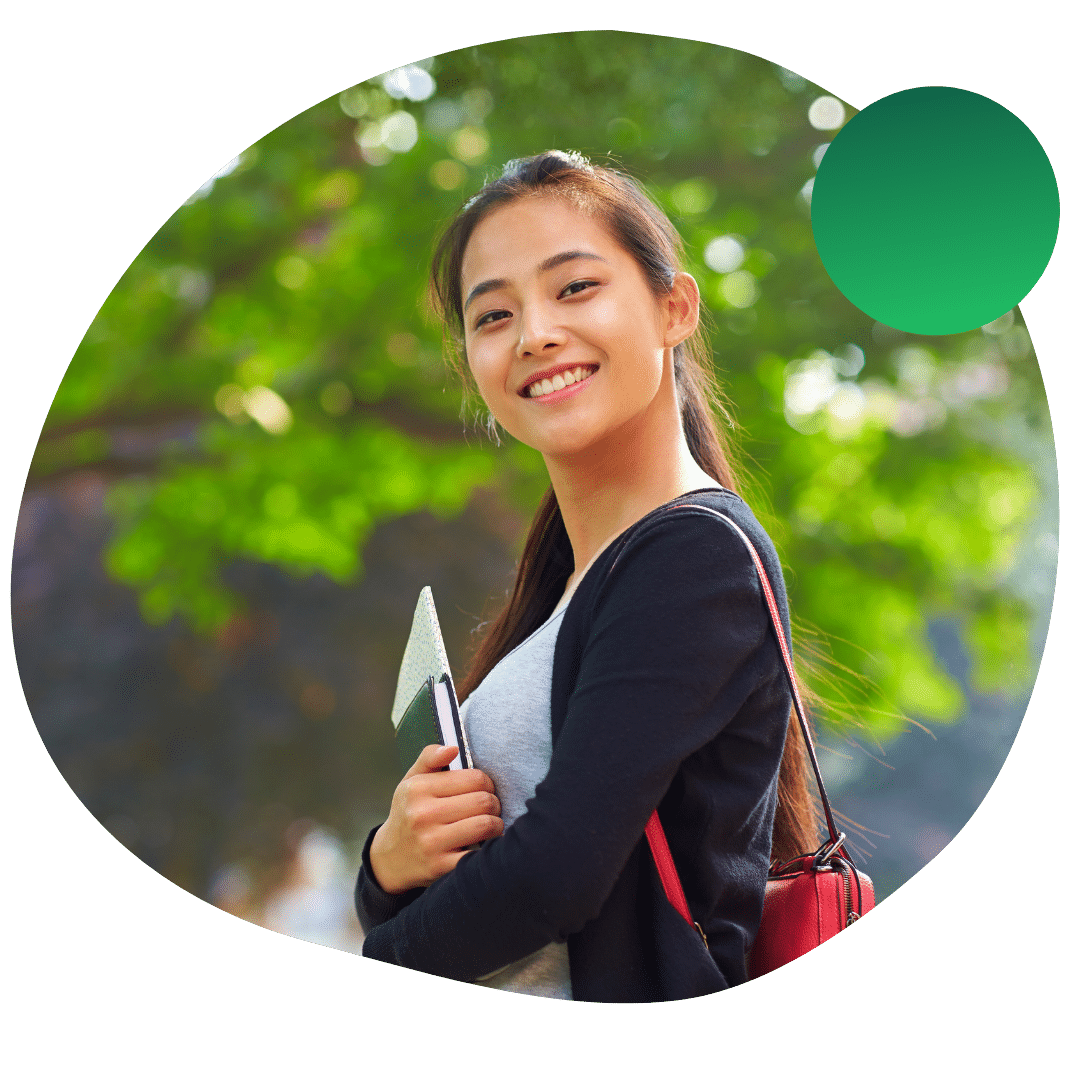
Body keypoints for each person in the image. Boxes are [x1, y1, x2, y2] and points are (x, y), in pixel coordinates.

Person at [354, 150, 820, 1002]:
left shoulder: (693, 559)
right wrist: (388, 860)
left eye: (574, 288)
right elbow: (488, 872)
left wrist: (380, 960)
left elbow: (554, 875)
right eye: (492, 316)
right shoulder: (572, 579)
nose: (534, 333)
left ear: (673, 308)